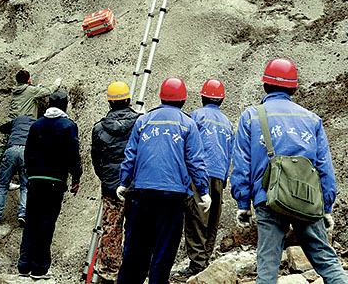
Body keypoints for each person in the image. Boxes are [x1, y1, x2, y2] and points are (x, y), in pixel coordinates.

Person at [230, 58, 348, 284]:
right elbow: (324, 166)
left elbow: (242, 164)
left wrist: (243, 204)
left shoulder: (252, 116)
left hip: (269, 198)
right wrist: (327, 206)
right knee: (325, 259)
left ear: (265, 86)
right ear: (293, 88)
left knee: (267, 263)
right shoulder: (312, 119)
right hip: (307, 198)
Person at [116, 77, 210, 284]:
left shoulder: (144, 120)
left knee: (137, 246)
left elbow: (130, 154)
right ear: (183, 100)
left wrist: (124, 182)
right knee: (165, 246)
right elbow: (195, 160)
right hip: (172, 196)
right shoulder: (187, 124)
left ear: (161, 98)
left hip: (143, 192)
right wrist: (203, 191)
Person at [18, 91, 82, 280]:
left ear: (48, 105)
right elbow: (73, 154)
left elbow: (28, 152)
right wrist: (76, 178)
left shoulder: (36, 125)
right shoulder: (68, 126)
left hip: (35, 180)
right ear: (65, 106)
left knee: (31, 222)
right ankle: (39, 268)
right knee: (46, 225)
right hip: (55, 182)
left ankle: (23, 265)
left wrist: (30, 175)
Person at [176, 79, 235, 279]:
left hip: (199, 174)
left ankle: (197, 265)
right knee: (212, 218)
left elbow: (188, 147)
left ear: (202, 97)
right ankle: (205, 260)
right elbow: (229, 151)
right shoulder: (226, 122)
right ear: (221, 100)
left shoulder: (196, 116)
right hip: (219, 174)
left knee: (195, 218)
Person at [91, 81, 140, 283]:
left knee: (111, 228)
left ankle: (110, 271)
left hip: (111, 187)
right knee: (135, 228)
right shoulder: (141, 123)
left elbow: (96, 159)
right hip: (136, 186)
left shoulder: (99, 128)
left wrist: (106, 178)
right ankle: (133, 271)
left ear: (110, 102)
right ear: (128, 100)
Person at [0, 69, 62, 175]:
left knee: (4, 142)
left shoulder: (14, 91)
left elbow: (26, 96)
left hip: (12, 121)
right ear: (28, 80)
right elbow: (48, 91)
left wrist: (35, 88)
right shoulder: (31, 90)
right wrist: (56, 83)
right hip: (26, 122)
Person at [0, 114, 34, 226]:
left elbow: (2, 129)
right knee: (25, 185)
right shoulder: (36, 123)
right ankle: (23, 214)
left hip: (11, 150)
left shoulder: (16, 120)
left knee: (3, 185)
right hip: (27, 152)